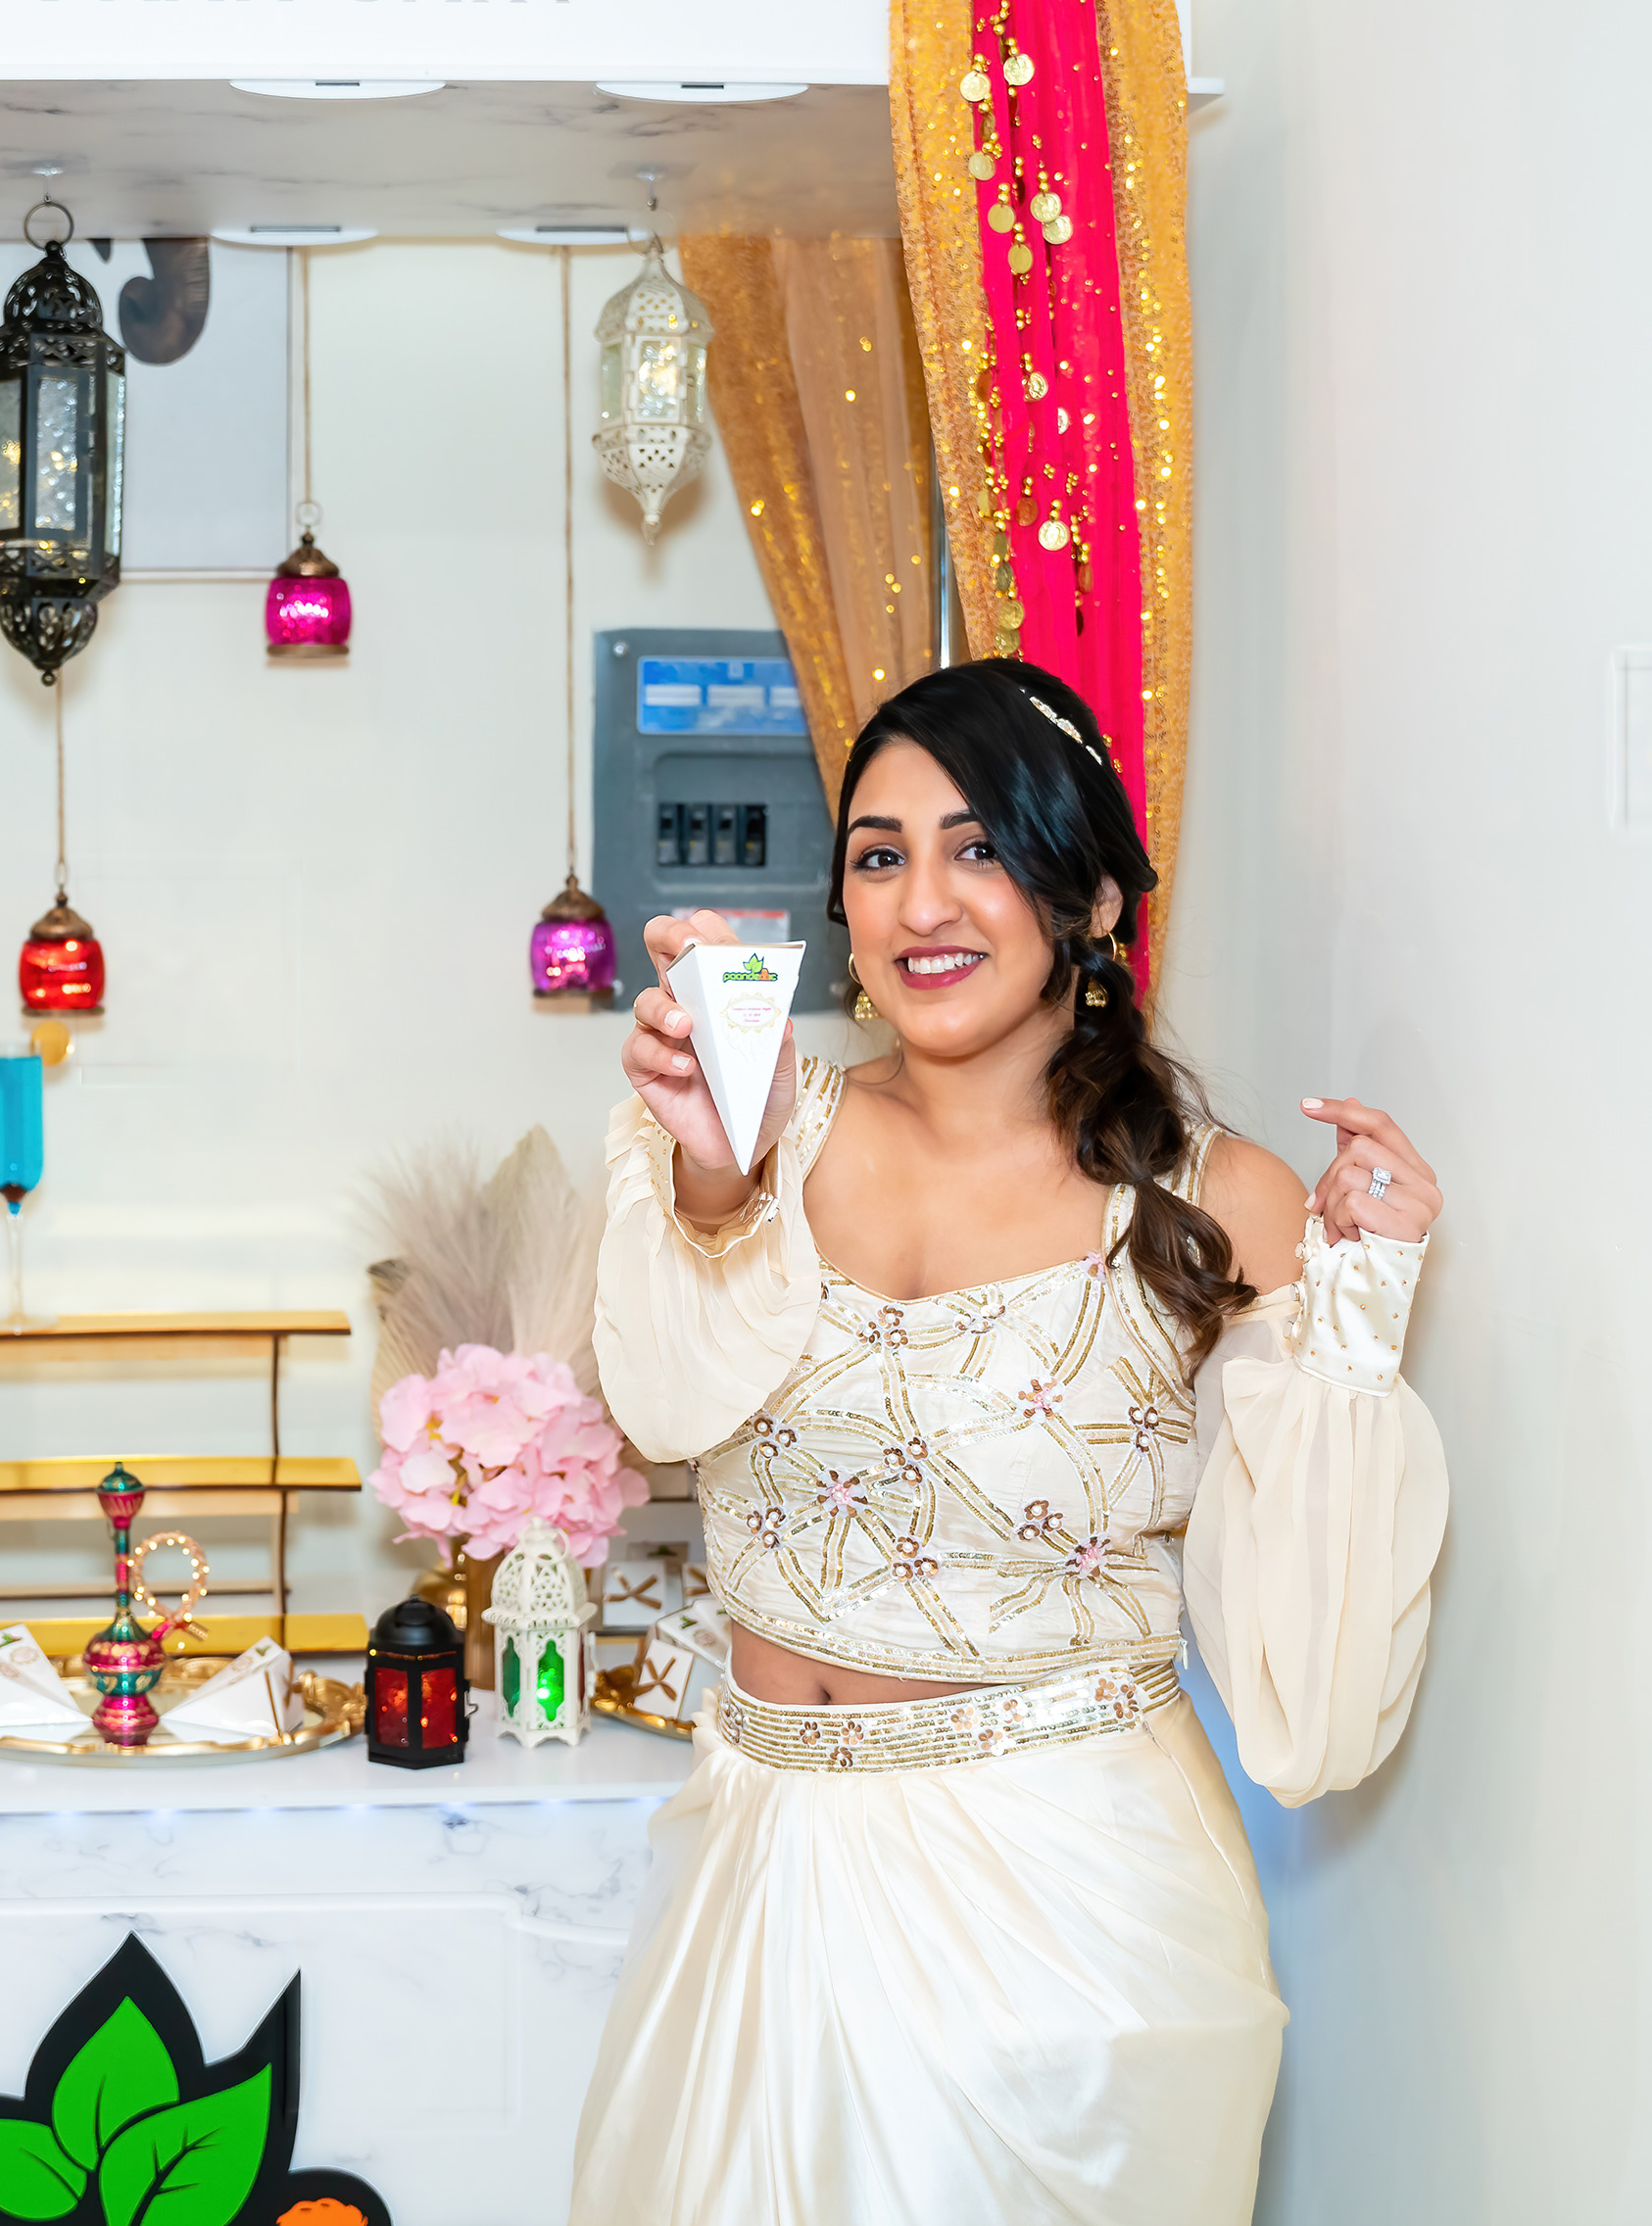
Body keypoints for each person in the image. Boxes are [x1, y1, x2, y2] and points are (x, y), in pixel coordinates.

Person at [567, 656, 1447, 2225]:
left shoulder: (1217, 1197)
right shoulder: (746, 1124)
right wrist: (712, 1183)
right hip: (760, 1864)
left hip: (1069, 1918)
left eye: (978, 846)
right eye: (881, 854)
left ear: (1091, 894)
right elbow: (668, 1403)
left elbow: (1305, 1689)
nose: (924, 902)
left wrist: (1356, 1312)